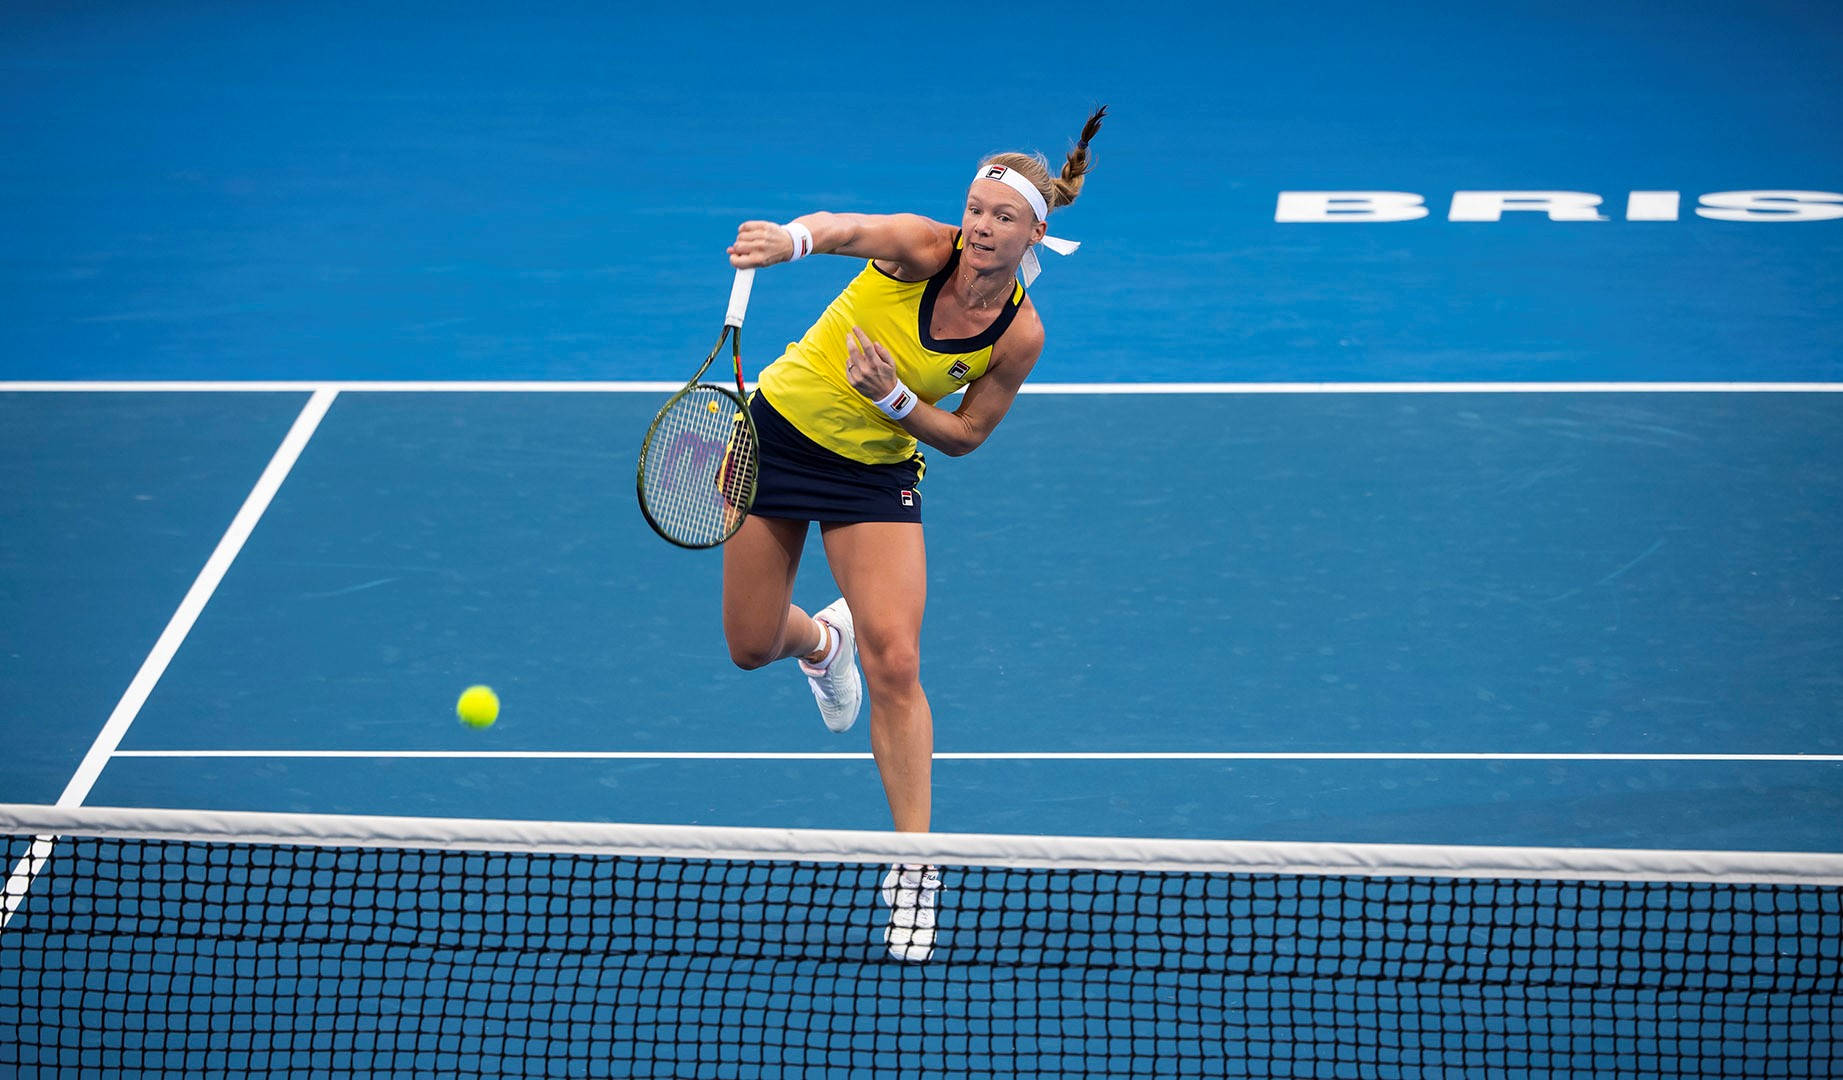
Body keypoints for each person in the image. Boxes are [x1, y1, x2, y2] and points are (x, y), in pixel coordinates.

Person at [722, 106, 1106, 960]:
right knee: (750, 645)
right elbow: (850, 228)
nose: (979, 226)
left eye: (1001, 217)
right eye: (974, 208)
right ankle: (821, 643)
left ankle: (913, 869)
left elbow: (966, 435)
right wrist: (790, 241)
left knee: (896, 659)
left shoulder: (1020, 334)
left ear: (1033, 234)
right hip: (776, 433)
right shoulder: (922, 248)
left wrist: (896, 401)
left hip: (873, 473)